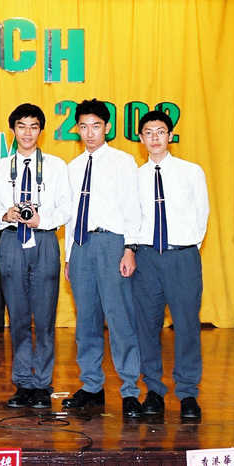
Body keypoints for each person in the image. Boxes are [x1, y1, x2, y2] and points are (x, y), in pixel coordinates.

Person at [62, 99, 143, 418]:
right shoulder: (73, 167)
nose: (90, 133)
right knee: (86, 321)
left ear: (107, 127)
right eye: (83, 127)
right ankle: (92, 385)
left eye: (96, 126)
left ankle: (130, 389)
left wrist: (130, 248)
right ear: (77, 129)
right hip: (81, 246)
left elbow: (133, 207)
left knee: (120, 318)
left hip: (112, 243)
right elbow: (71, 216)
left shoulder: (122, 162)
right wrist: (69, 256)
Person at [0, 103, 71, 409]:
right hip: (11, 240)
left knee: (45, 316)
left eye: (33, 126)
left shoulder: (56, 166)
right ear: (13, 130)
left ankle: (42, 384)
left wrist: (42, 219)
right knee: (18, 315)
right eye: (21, 126)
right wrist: (5, 213)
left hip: (45, 240)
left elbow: (66, 207)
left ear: (41, 131)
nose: (27, 132)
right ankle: (23, 382)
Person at [131, 110, 209, 419]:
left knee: (187, 325)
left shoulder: (191, 172)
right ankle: (153, 389)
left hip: (182, 257)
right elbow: (131, 219)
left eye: (160, 132)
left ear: (170, 135)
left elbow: (202, 216)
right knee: (147, 326)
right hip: (146, 257)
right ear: (141, 138)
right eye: (148, 133)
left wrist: (184, 249)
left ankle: (188, 393)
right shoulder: (135, 177)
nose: (154, 138)